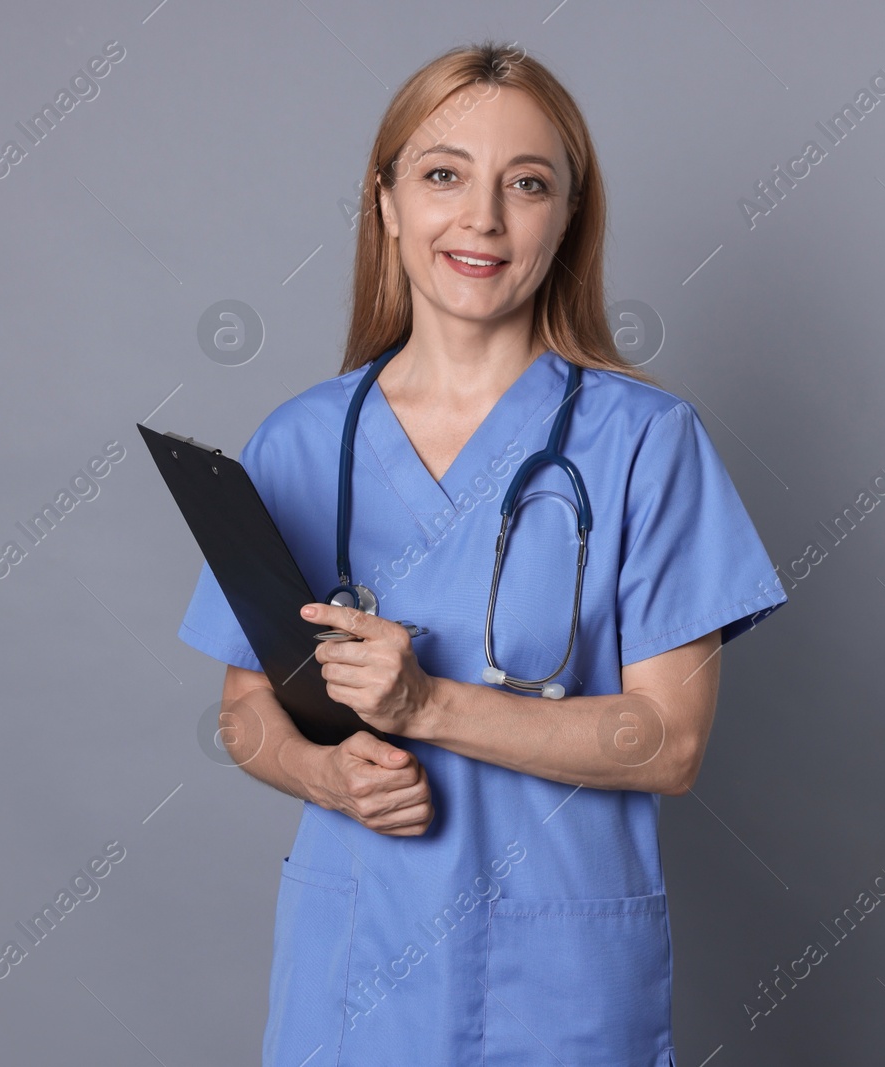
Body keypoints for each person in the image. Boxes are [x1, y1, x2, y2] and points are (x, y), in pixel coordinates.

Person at [177, 40, 787, 1066]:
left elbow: (670, 744)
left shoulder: (645, 442)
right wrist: (324, 776)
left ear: (567, 218)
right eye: (444, 174)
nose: (483, 219)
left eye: (528, 184)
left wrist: (428, 707)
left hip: (557, 981)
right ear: (387, 203)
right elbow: (247, 714)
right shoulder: (298, 443)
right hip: (351, 970)